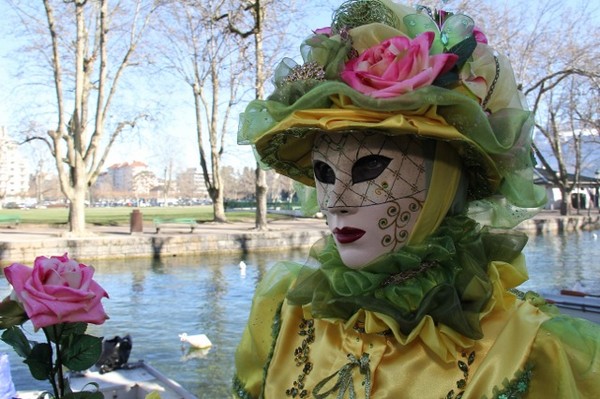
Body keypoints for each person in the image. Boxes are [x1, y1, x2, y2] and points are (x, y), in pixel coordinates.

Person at [233, 1, 600, 398]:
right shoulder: (284, 316)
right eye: (323, 173)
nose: (335, 202)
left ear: (443, 178)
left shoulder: (526, 352)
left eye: (369, 168)